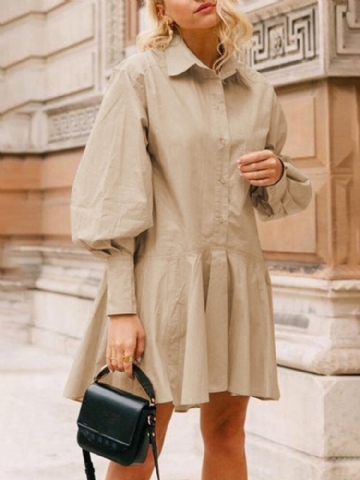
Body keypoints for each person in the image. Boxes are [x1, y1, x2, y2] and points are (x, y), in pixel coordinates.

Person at [64, 0, 312, 479]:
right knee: (137, 441)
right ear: (162, 9)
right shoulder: (139, 78)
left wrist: (277, 172)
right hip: (160, 285)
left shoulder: (258, 90)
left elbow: (274, 200)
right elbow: (112, 195)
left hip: (234, 284)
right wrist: (121, 309)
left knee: (226, 433)